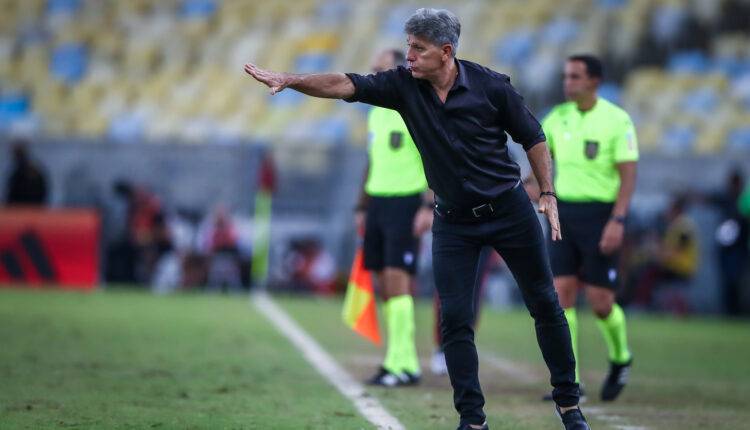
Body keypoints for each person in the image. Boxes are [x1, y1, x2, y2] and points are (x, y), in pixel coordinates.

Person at [244, 8, 588, 430]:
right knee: (455, 319)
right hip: (454, 222)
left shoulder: (492, 87)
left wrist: (548, 192)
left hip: (509, 210)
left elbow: (533, 136)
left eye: (417, 48)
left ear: (445, 52)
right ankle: (472, 419)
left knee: (545, 305)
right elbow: (343, 83)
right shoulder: (402, 86)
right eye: (407, 45)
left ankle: (569, 406)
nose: (408, 55)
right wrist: (291, 80)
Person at [541, 54, 638, 402]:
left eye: (575, 76)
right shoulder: (555, 118)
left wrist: (618, 219)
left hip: (601, 217)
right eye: (566, 76)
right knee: (561, 296)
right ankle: (572, 381)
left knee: (600, 302)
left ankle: (621, 357)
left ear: (594, 81)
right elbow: (541, 165)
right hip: (563, 215)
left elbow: (628, 174)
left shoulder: (617, 120)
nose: (568, 82)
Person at [353, 48, 431, 387]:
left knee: (398, 283)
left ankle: (405, 364)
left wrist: (428, 205)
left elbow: (433, 158)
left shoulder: (414, 109)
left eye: (379, 70)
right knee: (384, 285)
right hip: (378, 206)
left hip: (405, 203)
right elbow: (372, 162)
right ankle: (395, 360)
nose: (374, 77)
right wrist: (361, 206)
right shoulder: (375, 114)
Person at [5, 139, 48, 206]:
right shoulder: (34, 170)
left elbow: (11, 194)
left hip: (21, 208)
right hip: (34, 208)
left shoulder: (19, 173)